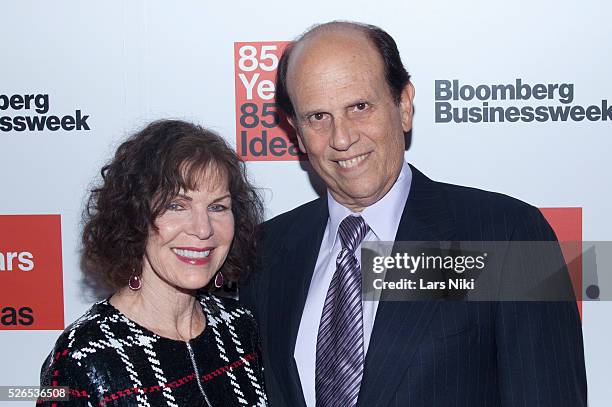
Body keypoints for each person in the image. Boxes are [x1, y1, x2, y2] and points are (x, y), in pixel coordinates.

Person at [240, 21, 587, 407]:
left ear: (404, 105)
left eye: (360, 106)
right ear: (297, 131)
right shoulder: (265, 252)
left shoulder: (505, 235)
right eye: (318, 117)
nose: (341, 138)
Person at [39, 120, 268, 406]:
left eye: (217, 207)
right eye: (176, 206)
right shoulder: (84, 355)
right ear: (135, 216)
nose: (203, 229)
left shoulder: (240, 328)